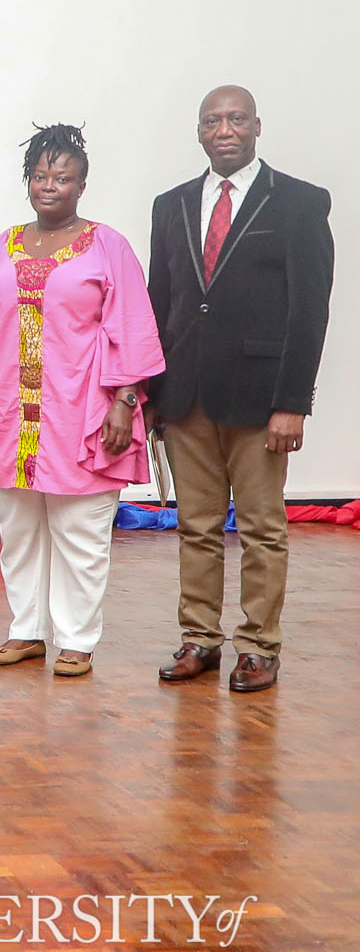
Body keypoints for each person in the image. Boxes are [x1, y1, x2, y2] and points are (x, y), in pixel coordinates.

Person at [0, 124, 164, 678]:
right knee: (18, 531)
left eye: (62, 177)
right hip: (10, 415)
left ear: (81, 185)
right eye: (40, 175)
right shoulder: (2, 245)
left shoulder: (107, 245)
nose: (49, 186)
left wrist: (125, 400)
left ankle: (76, 639)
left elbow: (132, 325)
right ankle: (26, 630)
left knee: (81, 531)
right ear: (28, 181)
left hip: (84, 413)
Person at [150, 86, 333, 694]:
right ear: (199, 131)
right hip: (186, 397)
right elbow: (160, 304)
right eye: (212, 120)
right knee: (196, 526)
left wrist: (293, 403)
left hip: (261, 399)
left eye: (235, 119)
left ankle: (258, 646)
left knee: (261, 529)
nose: (223, 129)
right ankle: (199, 638)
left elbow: (309, 312)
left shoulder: (300, 202)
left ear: (257, 126)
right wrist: (151, 394)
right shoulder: (171, 205)